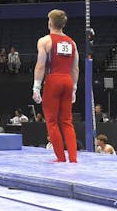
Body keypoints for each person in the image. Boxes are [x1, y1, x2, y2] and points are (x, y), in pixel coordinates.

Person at [32, 9, 79, 163]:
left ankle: (60, 158)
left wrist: (36, 87)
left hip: (53, 80)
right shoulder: (72, 43)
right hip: (67, 80)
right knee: (67, 121)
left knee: (52, 121)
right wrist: (74, 88)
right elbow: (75, 68)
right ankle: (73, 158)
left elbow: (40, 65)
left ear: (50, 23)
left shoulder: (45, 41)